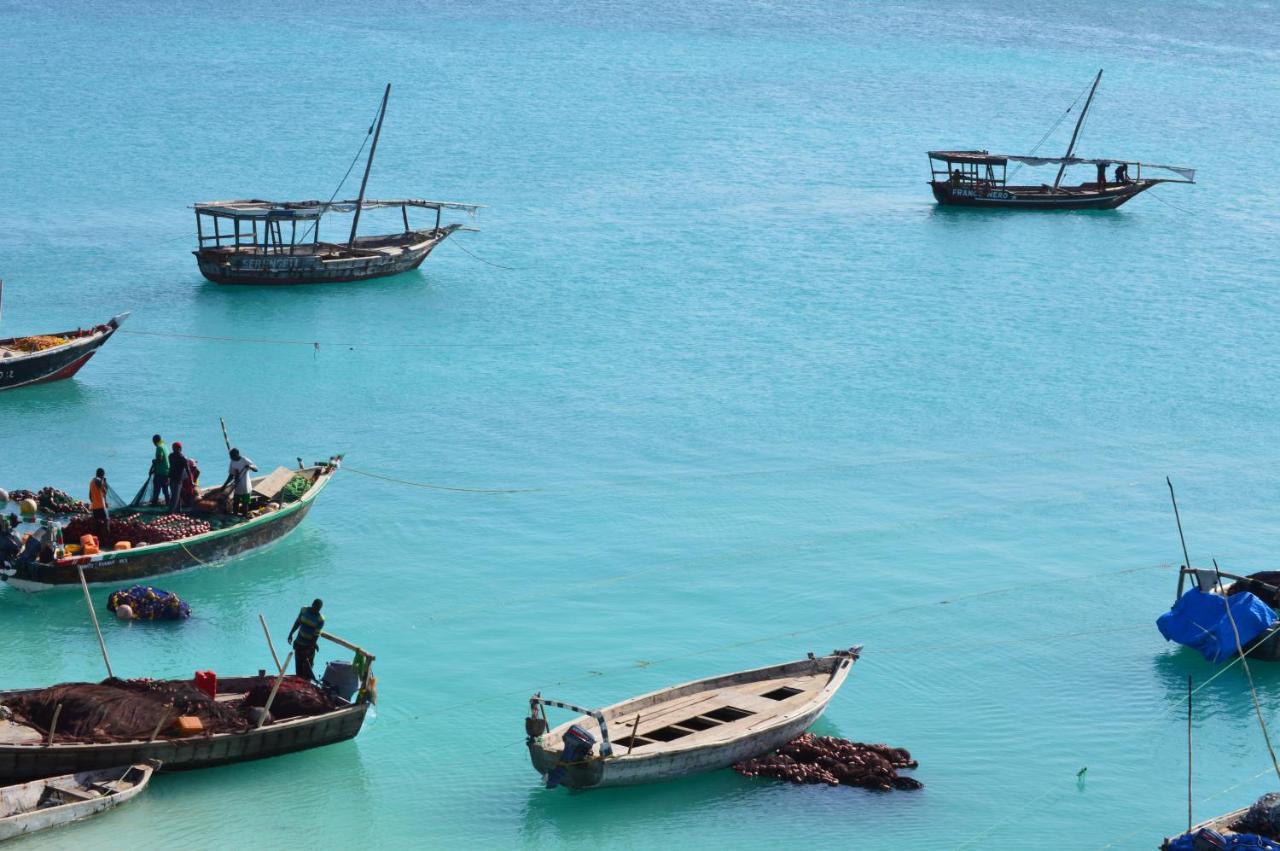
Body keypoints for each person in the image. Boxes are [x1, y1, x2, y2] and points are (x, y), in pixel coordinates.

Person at [287, 599, 325, 681]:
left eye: (318, 609)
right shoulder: (304, 610)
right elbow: (298, 622)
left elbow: (316, 635)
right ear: (312, 605)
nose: (316, 610)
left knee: (307, 670)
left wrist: (310, 648)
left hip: (309, 646)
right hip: (299, 643)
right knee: (298, 668)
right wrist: (291, 634)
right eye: (315, 608)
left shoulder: (320, 619)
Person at [223, 448, 258, 516]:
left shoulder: (244, 460)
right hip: (237, 487)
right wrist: (224, 485)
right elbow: (231, 475)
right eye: (230, 456)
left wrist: (250, 467)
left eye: (232, 456)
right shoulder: (232, 462)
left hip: (246, 487)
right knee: (235, 503)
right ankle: (235, 516)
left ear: (237, 454)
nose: (230, 457)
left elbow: (256, 469)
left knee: (245, 504)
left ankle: (244, 517)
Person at [149, 434, 171, 507]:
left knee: (157, 489)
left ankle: (154, 504)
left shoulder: (159, 447)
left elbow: (160, 459)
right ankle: (168, 504)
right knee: (165, 490)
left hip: (160, 472)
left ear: (155, 441)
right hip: (166, 471)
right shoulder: (164, 445)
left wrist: (153, 461)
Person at [89, 468, 110, 533]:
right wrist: (104, 481)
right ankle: (106, 536)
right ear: (102, 474)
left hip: (94, 506)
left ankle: (95, 537)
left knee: (96, 523)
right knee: (106, 520)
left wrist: (93, 502)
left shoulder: (91, 482)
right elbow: (104, 490)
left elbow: (90, 496)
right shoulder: (98, 480)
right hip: (101, 506)